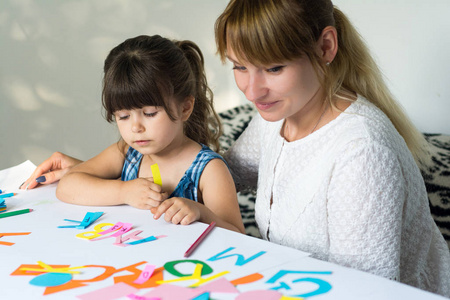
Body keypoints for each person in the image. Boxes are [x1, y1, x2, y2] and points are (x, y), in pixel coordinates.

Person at [21, 0, 449, 296]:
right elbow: (216, 171)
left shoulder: (363, 153)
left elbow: (364, 289)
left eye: (274, 68)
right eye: (240, 67)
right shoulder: (280, 114)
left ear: (325, 47)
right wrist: (105, 172)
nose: (253, 89)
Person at [21, 35, 245, 234]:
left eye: (149, 113)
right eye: (123, 116)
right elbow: (67, 186)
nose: (136, 127)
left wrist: (201, 213)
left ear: (185, 108)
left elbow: (239, 236)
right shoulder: (127, 153)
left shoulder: (208, 169)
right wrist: (124, 191)